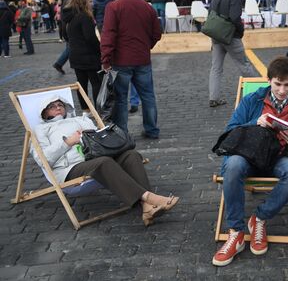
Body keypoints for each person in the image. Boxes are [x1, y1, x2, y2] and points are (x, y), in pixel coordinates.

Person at [212, 57, 288, 267]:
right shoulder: (253, 100)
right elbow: (230, 130)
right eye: (277, 84)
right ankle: (236, 233)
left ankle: (259, 219)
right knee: (233, 165)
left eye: (287, 85)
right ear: (269, 81)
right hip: (249, 154)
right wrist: (255, 122)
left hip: (279, 157)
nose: (282, 90)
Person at [34, 96, 179, 226]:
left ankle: (147, 208)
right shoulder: (40, 130)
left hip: (95, 158)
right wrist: (68, 143)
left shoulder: (80, 120)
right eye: (52, 107)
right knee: (104, 162)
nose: (58, 108)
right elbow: (43, 160)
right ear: (44, 113)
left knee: (131, 155)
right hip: (69, 169)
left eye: (60, 105)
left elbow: (98, 138)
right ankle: (150, 197)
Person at [101, 0, 162, 139]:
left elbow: (108, 35)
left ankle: (122, 134)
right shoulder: (147, 7)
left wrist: (106, 59)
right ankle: (151, 129)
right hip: (142, 59)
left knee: (120, 98)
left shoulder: (113, 7)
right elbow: (157, 32)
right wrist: (146, 46)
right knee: (148, 96)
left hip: (121, 60)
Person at [208, 0, 256, 107]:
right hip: (231, 37)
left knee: (216, 68)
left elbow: (210, 14)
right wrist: (241, 31)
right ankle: (258, 94)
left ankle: (214, 97)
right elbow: (235, 18)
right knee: (244, 65)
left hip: (216, 36)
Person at [65, 0, 103, 110]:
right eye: (90, 1)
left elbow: (65, 35)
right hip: (89, 56)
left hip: (75, 55)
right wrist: (100, 50)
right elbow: (90, 37)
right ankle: (98, 110)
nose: (92, 4)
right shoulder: (85, 16)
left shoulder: (69, 17)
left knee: (81, 85)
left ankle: (85, 110)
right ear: (83, 2)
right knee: (96, 83)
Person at [53, 0, 78, 75]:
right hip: (69, 27)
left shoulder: (66, 1)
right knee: (71, 47)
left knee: (70, 47)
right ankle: (59, 63)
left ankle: (60, 64)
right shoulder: (70, 2)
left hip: (66, 27)